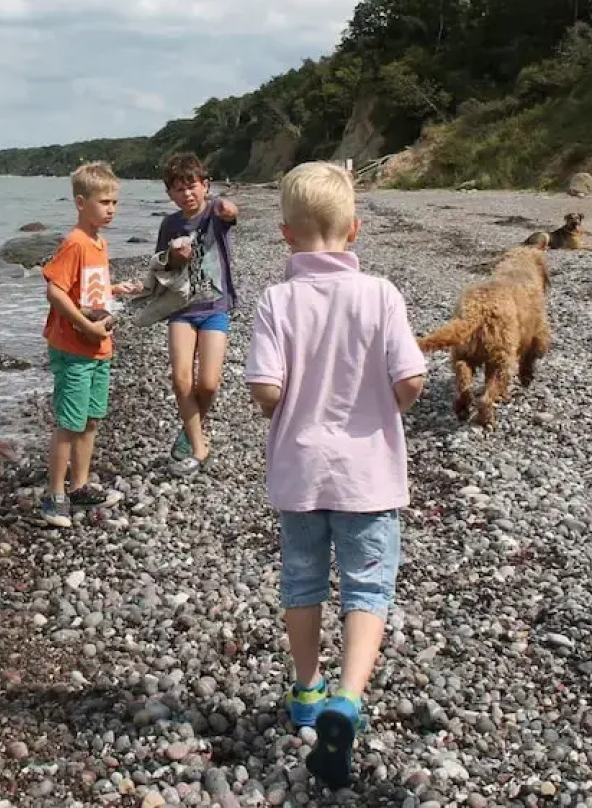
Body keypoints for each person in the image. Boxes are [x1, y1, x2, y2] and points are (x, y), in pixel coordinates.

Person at [244, 161, 425, 792]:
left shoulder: (277, 299)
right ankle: (346, 699)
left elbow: (267, 389)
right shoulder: (381, 294)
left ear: (285, 236)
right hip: (368, 476)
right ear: (355, 229)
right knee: (366, 587)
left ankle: (305, 691)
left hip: (299, 472)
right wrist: (383, 409)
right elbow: (411, 380)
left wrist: (289, 408)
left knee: (303, 581)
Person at [38, 161, 140, 528]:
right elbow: (55, 291)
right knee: (69, 421)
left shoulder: (99, 242)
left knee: (91, 419)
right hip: (74, 346)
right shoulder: (76, 242)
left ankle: (79, 486)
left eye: (114, 202)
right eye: (103, 202)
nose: (111, 209)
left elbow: (88, 289)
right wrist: (85, 326)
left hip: (99, 347)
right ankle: (54, 495)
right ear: (81, 203)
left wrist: (116, 289)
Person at [155, 153, 238, 477]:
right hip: (182, 309)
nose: (186, 193)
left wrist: (229, 209)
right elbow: (162, 267)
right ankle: (200, 449)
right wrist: (176, 257)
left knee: (209, 383)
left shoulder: (215, 213)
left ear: (205, 186)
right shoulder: (170, 224)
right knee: (181, 380)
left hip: (216, 307)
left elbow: (230, 213)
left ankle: (189, 430)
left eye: (192, 186)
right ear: (170, 194)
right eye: (178, 189)